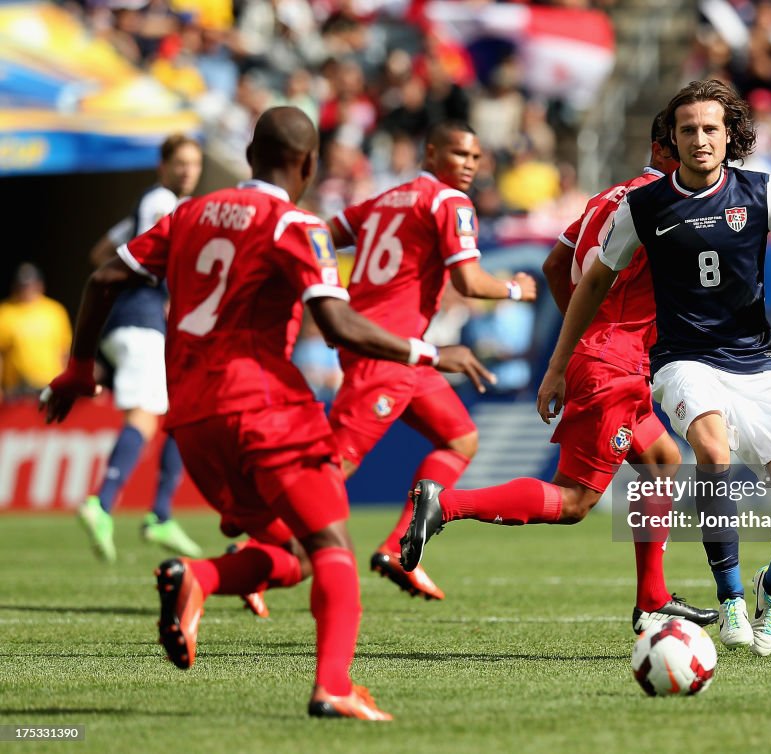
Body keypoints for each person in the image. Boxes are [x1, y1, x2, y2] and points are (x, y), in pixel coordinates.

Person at [42, 106, 493, 719]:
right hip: (264, 409)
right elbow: (338, 326)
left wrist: (76, 372)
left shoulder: (188, 213)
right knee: (332, 543)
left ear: (251, 155)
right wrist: (428, 351)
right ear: (307, 165)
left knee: (296, 553)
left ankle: (200, 578)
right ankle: (334, 687)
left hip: (193, 422)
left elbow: (101, 280)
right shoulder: (295, 224)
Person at [524, 79, 771, 657]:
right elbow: (593, 279)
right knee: (713, 452)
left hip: (752, 363)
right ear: (671, 140)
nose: (700, 139)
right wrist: (556, 365)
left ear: (730, 137)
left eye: (710, 129)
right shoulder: (644, 205)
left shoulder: (761, 193)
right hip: (682, 359)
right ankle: (729, 600)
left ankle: (770, 589)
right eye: (688, 130)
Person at [395, 114, 719, 634]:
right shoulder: (667, 206)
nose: (702, 149)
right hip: (615, 364)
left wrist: (581, 339)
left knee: (662, 459)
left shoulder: (607, 197)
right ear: (665, 149)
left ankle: (653, 598)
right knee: (573, 501)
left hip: (608, 357)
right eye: (688, 139)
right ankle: (448, 504)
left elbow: (553, 265)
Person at [326, 120, 538, 601]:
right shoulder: (448, 202)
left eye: (476, 157)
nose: (469, 164)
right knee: (333, 468)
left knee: (460, 438)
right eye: (460, 153)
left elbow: (323, 233)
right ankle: (254, 555)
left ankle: (395, 549)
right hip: (388, 350)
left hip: (398, 350)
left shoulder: (384, 200)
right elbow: (468, 282)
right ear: (430, 152)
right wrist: (514, 289)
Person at [78, 134, 204, 563]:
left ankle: (161, 514)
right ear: (162, 165)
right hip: (142, 322)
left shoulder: (146, 203)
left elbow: (100, 251)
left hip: (127, 321)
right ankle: (103, 503)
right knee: (147, 417)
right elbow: (162, 251)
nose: (188, 171)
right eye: (180, 162)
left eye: (194, 164)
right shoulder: (162, 201)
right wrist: (165, 289)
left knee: (178, 412)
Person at [0, 263, 71, 402]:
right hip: (16, 390)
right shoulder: (4, 312)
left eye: (31, 285)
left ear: (40, 285)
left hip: (50, 386)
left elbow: (65, 352)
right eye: (23, 285)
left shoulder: (55, 311)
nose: (27, 289)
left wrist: (68, 385)